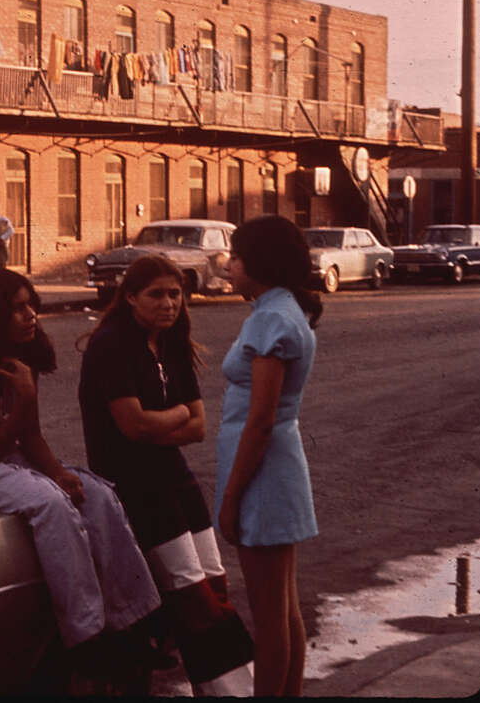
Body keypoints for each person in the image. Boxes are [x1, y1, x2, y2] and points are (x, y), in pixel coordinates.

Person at [0, 269, 161, 692]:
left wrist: (59, 472)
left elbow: (29, 436)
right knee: (49, 504)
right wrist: (25, 402)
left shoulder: (18, 352)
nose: (31, 315)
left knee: (97, 494)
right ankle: (86, 636)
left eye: (32, 305)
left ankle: (134, 620)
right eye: (18, 308)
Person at [78, 254, 254, 696]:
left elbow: (197, 427)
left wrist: (164, 421)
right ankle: (233, 694)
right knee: (191, 595)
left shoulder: (172, 343)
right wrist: (173, 416)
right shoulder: (112, 344)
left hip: (176, 478)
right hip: (136, 486)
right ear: (131, 296)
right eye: (156, 294)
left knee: (214, 583)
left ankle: (236, 688)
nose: (168, 303)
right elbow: (131, 426)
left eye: (175, 293)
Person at [216, 214, 322, 696]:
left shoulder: (270, 318)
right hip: (278, 466)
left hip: (262, 472)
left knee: (269, 616)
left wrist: (232, 497)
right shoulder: (280, 309)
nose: (229, 266)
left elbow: (259, 420)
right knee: (285, 609)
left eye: (235, 257)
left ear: (258, 262)